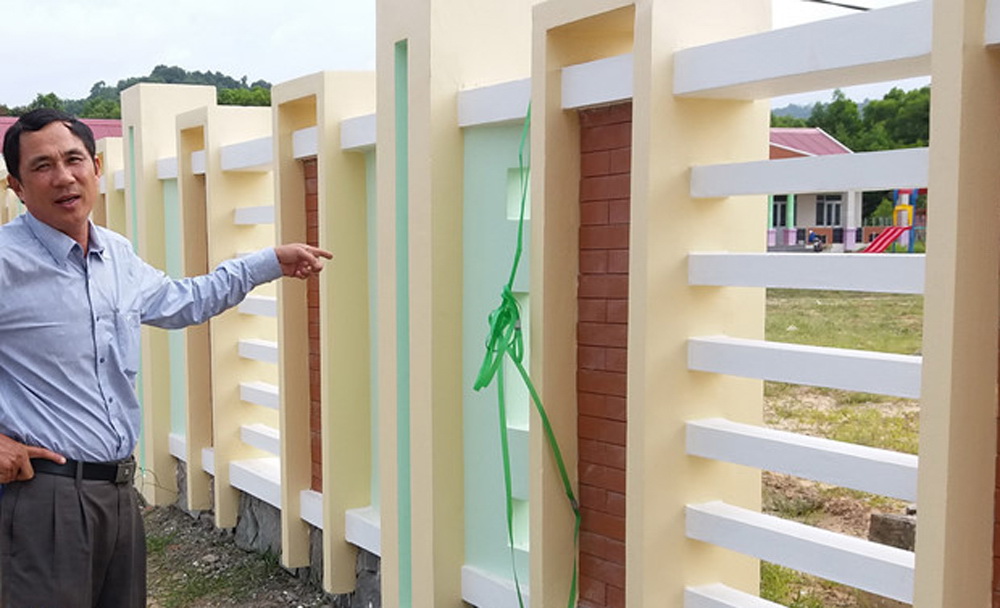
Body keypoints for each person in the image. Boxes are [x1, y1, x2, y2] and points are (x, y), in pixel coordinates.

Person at [0, 108, 332, 607]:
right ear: (18, 187)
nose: (64, 177)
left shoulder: (116, 255)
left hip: (117, 490)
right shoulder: (6, 262)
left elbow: (182, 300)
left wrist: (267, 263)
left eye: (73, 159)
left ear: (95, 167)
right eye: (42, 166)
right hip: (43, 498)